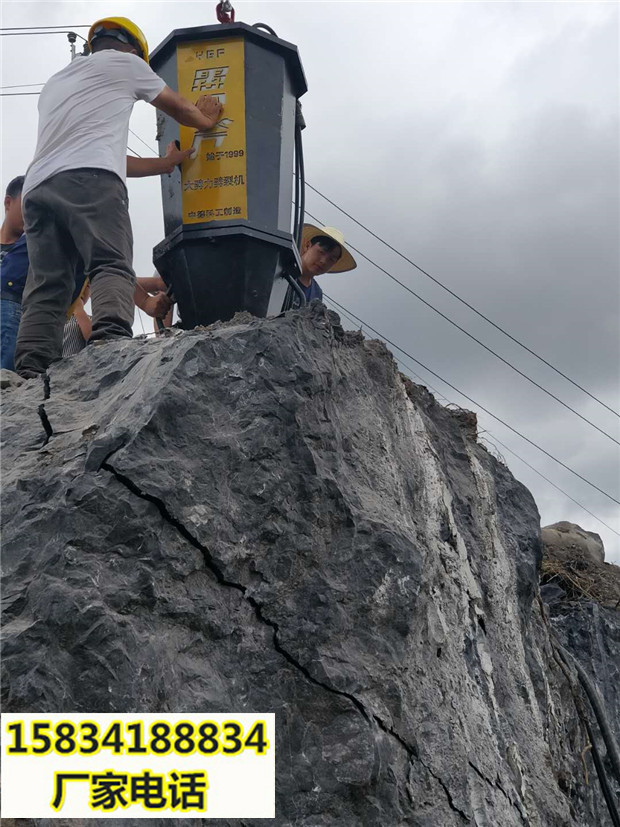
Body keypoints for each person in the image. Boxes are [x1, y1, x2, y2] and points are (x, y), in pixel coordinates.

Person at [15, 16, 223, 378]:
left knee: (48, 284)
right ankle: (109, 343)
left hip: (39, 186)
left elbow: (102, 152)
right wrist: (205, 121)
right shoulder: (126, 63)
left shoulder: (58, 81)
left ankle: (30, 369)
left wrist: (166, 164)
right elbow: (178, 107)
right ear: (132, 49)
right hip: (91, 181)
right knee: (110, 263)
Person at [0, 176, 27, 371]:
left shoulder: (37, 249)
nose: (33, 213)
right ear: (8, 202)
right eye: (28, 204)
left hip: (16, 321)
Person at [297, 224, 357, 303]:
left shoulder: (316, 293)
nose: (323, 261)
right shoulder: (281, 269)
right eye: (321, 252)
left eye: (331, 259)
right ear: (308, 246)